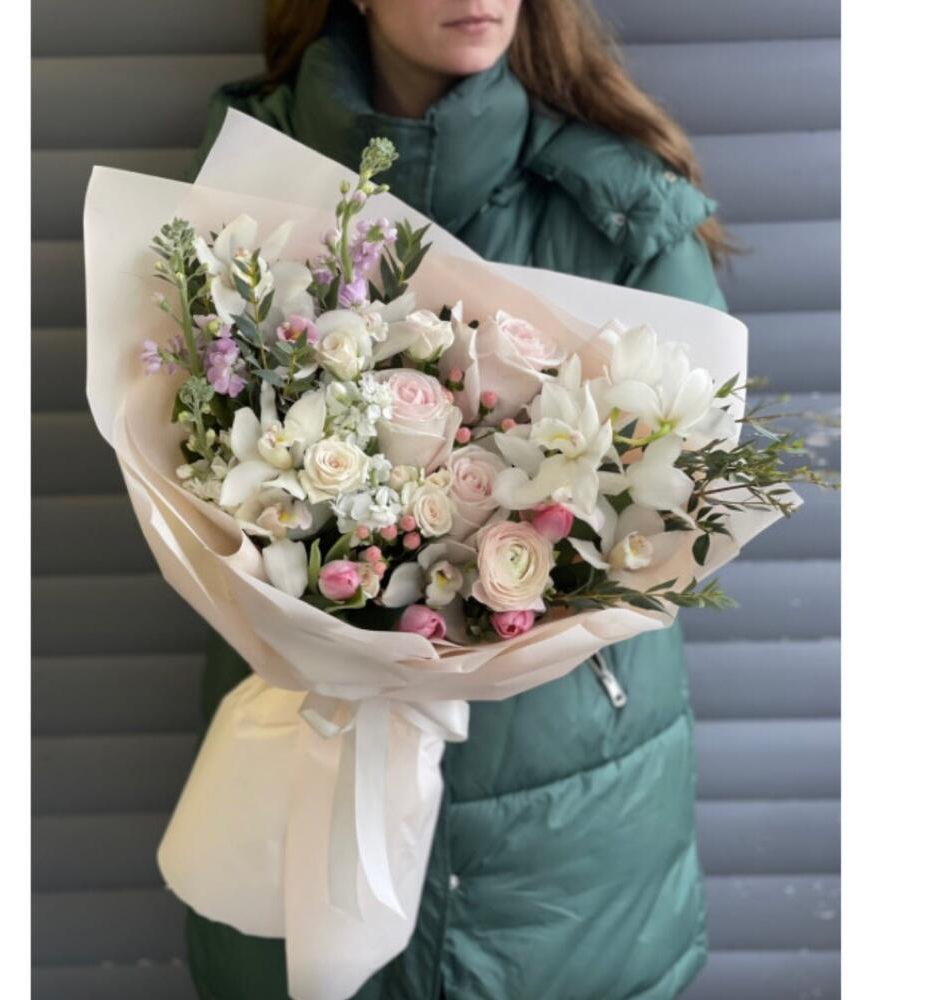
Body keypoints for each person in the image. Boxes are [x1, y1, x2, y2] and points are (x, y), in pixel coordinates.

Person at [185, 2, 729, 997]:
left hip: (567, 822)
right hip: (302, 757)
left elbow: (694, 493)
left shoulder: (617, 206)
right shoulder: (246, 180)